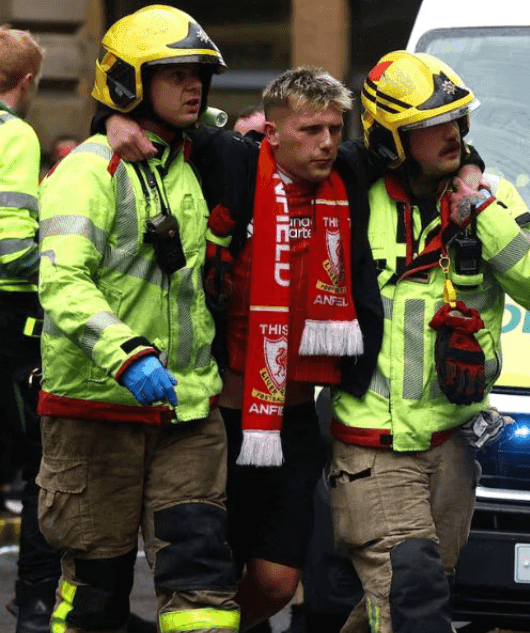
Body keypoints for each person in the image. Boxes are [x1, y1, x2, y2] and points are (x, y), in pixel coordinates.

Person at [102, 66, 487, 630]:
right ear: (274, 134)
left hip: (299, 419)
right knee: (210, 571)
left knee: (279, 582)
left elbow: (434, 146)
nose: (327, 142)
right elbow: (163, 121)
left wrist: (471, 171)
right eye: (310, 130)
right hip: (221, 419)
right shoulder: (234, 161)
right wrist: (107, 117)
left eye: (335, 127)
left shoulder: (351, 171)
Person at [328, 50, 530, 632]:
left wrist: (481, 212)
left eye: (457, 121)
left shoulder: (493, 196)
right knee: (413, 604)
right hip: (373, 447)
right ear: (391, 138)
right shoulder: (355, 198)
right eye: (431, 126)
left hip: (451, 448)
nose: (452, 134)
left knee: (410, 600)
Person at [35, 6, 240, 631]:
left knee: (202, 582)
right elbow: (63, 281)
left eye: (197, 74)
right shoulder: (88, 171)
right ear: (127, 83)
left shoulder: (187, 163)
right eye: (174, 74)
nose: (194, 86)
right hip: (95, 412)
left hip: (185, 411)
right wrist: (127, 353)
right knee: (97, 591)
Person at [0, 24, 55, 633]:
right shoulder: (14, 133)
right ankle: (36, 605)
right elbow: (13, 251)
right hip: (12, 323)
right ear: (28, 80)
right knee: (42, 469)